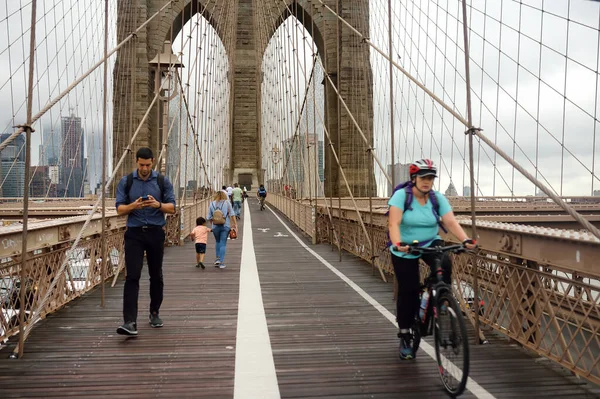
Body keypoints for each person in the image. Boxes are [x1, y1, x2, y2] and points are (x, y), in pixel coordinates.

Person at [387, 158, 476, 360]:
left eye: (430, 178)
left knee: (444, 261)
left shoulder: (436, 198)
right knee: (408, 291)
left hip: (429, 241)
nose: (427, 181)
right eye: (423, 177)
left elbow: (450, 221)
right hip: (405, 247)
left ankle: (442, 298)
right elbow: (394, 223)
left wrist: (465, 239)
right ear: (414, 178)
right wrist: (398, 243)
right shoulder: (402, 196)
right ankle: (405, 334)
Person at [115, 147, 176, 336]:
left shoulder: (161, 181)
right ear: (136, 162)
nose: (144, 168)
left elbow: (172, 208)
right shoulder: (126, 182)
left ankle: (154, 312)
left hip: (155, 232)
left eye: (147, 165)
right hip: (134, 233)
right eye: (141, 164)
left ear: (153, 161)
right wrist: (134, 206)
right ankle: (129, 322)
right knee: (132, 276)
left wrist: (157, 204)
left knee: (156, 274)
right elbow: (119, 209)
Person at [207, 190, 238, 268]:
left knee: (217, 241)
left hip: (215, 227)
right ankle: (221, 262)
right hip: (225, 226)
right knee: (223, 243)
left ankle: (217, 259)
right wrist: (235, 224)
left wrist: (213, 224)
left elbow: (209, 217)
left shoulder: (211, 204)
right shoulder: (227, 203)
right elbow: (232, 214)